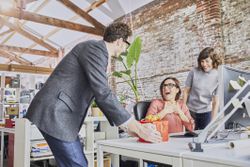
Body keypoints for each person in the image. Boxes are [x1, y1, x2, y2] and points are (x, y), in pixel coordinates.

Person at [25, 22, 162, 167]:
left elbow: (99, 93)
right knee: (78, 164)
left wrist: (129, 128)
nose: (126, 50)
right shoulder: (95, 49)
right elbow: (102, 92)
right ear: (120, 41)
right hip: (55, 114)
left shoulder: (96, 51)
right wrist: (137, 127)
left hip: (58, 115)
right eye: (127, 44)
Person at [183, 47, 222, 130]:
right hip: (190, 111)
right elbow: (186, 91)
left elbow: (215, 101)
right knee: (189, 136)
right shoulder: (193, 72)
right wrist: (183, 109)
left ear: (213, 60)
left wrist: (213, 121)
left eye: (207, 61)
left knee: (205, 137)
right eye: (202, 61)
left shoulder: (218, 76)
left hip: (206, 112)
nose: (204, 64)